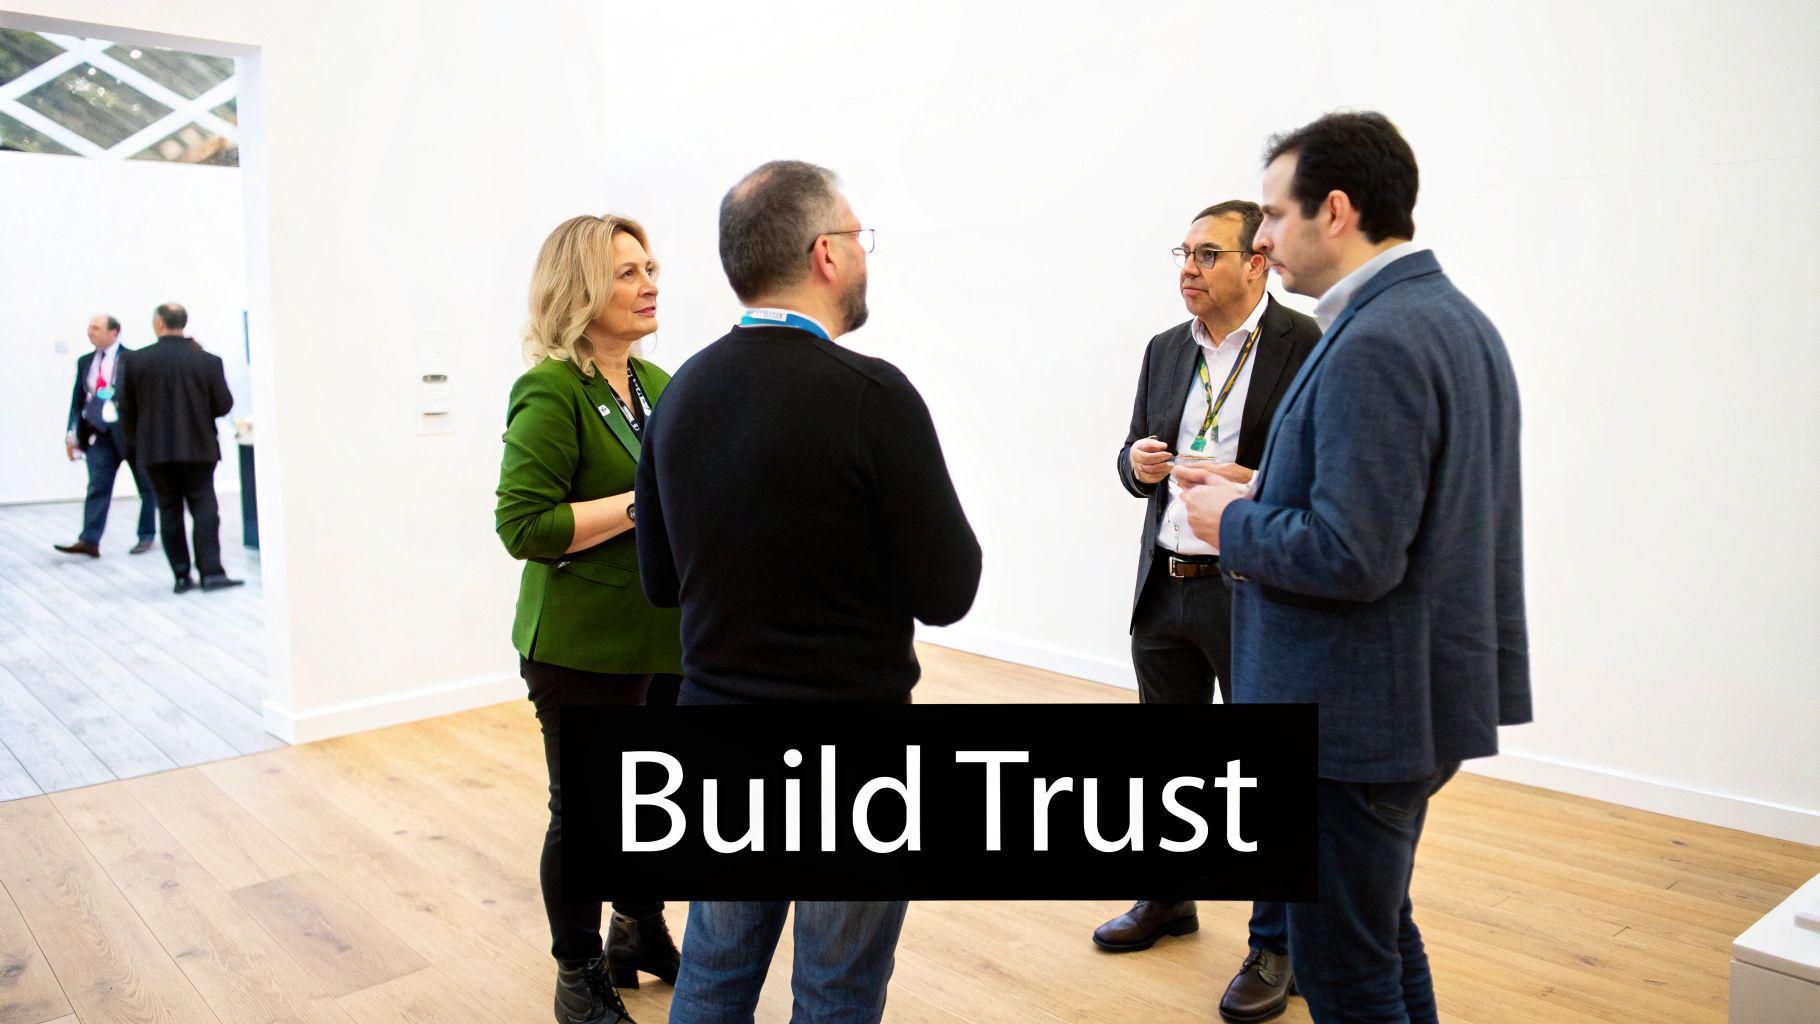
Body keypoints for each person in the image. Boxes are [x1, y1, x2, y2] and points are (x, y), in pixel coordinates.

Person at [1173, 112, 1532, 1024]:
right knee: (1382, 936)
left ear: (1334, 211)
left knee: (1345, 973)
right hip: (1406, 703)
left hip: (1349, 719)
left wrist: (1233, 519)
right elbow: (1406, 512)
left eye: (1271, 215)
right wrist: (1269, 487)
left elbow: (1354, 554)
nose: (1260, 239)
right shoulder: (1449, 319)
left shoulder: (1377, 340)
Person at [634, 160, 981, 1024]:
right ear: (826, 253)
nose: (864, 254)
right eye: (859, 237)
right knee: (836, 990)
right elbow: (949, 591)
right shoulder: (874, 396)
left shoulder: (680, 396)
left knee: (714, 972)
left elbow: (660, 581)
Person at [1100, 201, 1321, 1023]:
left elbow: (1322, 480)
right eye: (1183, 253)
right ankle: (1168, 899)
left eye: (1207, 254)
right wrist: (1135, 463)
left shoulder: (1307, 346)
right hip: (1165, 584)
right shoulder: (1166, 348)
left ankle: (1277, 945)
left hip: (1252, 589)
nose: (1188, 269)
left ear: (1257, 263)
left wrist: (1251, 484)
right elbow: (1132, 461)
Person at [494, 213, 686, 1024]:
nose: (649, 285)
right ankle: (578, 977)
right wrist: (642, 504)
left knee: (652, 798)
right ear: (579, 289)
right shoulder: (551, 390)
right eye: (626, 273)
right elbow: (523, 526)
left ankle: (636, 928)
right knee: (585, 813)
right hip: (581, 645)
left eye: (651, 269)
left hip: (664, 635)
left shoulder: (660, 383)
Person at [119, 303, 241, 594]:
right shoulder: (207, 360)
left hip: (155, 450)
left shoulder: (135, 361)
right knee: (205, 507)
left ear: (159, 324)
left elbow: (126, 409)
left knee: (168, 510)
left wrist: (135, 445)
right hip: (199, 447)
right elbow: (223, 404)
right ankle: (212, 573)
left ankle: (182, 576)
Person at [54, 314, 157, 557]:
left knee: (147, 487)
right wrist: (72, 434)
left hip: (131, 435)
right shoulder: (85, 361)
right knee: (97, 485)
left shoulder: (133, 360)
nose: (90, 332)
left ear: (114, 331)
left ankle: (146, 534)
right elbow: (78, 400)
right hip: (99, 434)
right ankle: (89, 539)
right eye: (89, 327)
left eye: (96, 328)